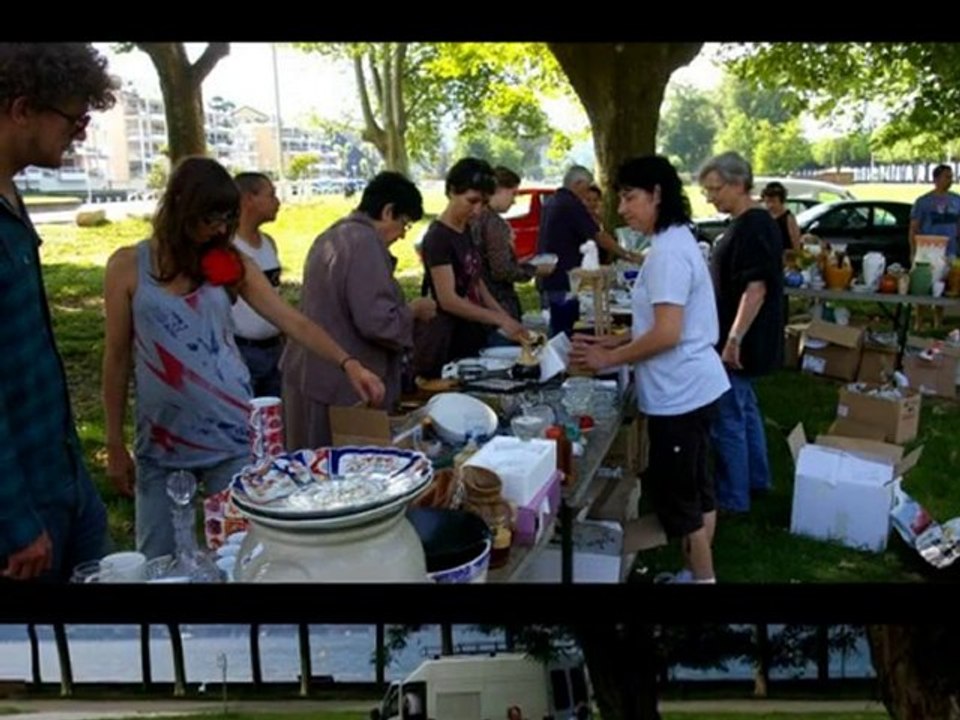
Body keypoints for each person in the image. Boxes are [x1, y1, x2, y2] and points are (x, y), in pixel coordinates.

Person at [102, 156, 385, 560]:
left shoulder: (225, 264)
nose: (220, 229)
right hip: (161, 442)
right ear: (181, 206)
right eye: (210, 217)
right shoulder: (128, 266)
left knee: (242, 555)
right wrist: (114, 441)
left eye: (227, 219)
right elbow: (115, 359)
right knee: (158, 561)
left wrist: (348, 363)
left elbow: (293, 322)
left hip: (231, 435)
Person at [571, 155, 729, 584]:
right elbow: (667, 324)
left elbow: (668, 334)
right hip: (696, 387)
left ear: (657, 195)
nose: (621, 209)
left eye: (630, 198)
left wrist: (608, 358)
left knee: (683, 504)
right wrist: (617, 339)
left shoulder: (667, 255)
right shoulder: (675, 241)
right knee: (699, 492)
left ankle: (702, 582)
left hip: (681, 395)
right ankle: (693, 572)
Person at [0, 43, 117, 582]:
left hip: (65, 481)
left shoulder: (12, 198)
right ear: (21, 109)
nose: (81, 132)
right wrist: (14, 522)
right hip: (20, 513)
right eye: (74, 118)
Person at [282, 171, 436, 448]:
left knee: (314, 461)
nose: (402, 235)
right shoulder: (364, 242)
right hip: (341, 386)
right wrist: (413, 311)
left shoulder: (334, 235)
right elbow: (376, 321)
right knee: (340, 472)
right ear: (388, 211)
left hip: (314, 374)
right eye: (404, 224)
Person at [698, 151, 783, 514]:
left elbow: (756, 288)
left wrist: (733, 339)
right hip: (742, 337)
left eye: (715, 189)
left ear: (737, 184)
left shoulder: (754, 226)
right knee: (745, 409)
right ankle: (756, 479)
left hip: (743, 340)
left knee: (728, 417)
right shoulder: (743, 223)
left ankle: (734, 496)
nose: (710, 197)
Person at [415, 157, 527, 378]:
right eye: (471, 201)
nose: (477, 211)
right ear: (451, 192)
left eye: (483, 203)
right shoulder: (438, 237)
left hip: (472, 333)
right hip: (447, 339)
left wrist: (504, 317)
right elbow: (448, 299)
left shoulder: (466, 229)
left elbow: (477, 282)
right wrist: (498, 319)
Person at [537, 165, 641, 307]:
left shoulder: (552, 201)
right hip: (564, 278)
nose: (586, 194)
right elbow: (599, 236)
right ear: (577, 184)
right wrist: (626, 255)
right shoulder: (571, 204)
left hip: (549, 275)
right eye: (586, 188)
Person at [471, 165, 552, 335]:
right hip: (498, 303)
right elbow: (501, 270)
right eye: (513, 194)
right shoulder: (494, 223)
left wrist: (519, 263)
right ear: (498, 189)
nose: (514, 200)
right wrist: (534, 270)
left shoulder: (476, 219)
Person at [231, 171, 283, 397]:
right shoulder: (229, 247)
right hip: (242, 352)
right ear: (248, 199)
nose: (277, 202)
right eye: (270, 195)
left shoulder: (269, 243)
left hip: (275, 350)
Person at [909, 164, 960, 329]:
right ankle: (919, 321)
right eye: (947, 176)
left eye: (951, 176)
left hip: (949, 250)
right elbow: (914, 228)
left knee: (943, 286)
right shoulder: (923, 202)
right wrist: (913, 251)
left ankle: (938, 321)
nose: (950, 180)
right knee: (922, 286)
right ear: (936, 179)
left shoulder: (957, 200)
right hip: (927, 251)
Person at [760, 181, 801, 252]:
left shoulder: (788, 218)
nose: (770, 205)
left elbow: (795, 240)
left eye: (773, 201)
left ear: (781, 201)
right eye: (767, 202)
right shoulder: (765, 217)